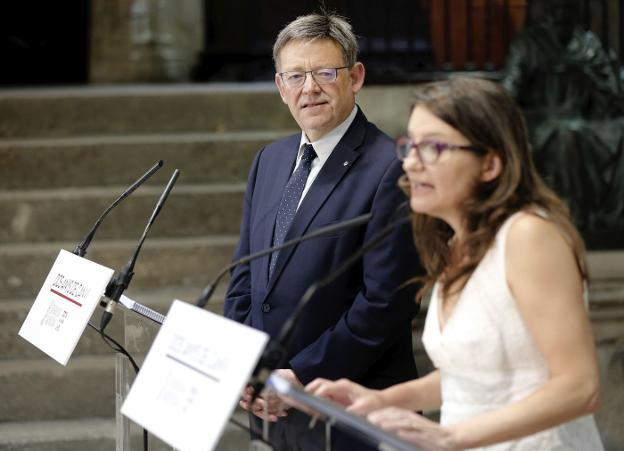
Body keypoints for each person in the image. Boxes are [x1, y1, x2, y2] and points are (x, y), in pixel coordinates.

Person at [308, 77, 604, 450]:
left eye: (433, 147)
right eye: (410, 146)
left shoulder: (528, 236)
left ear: (490, 164)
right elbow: (475, 376)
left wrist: (453, 436)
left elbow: (580, 387)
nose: (412, 164)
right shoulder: (456, 242)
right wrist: (385, 400)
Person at [223, 10, 421, 450]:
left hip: (351, 408)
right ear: (280, 87)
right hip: (270, 406)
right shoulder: (268, 162)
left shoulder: (391, 167)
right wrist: (243, 368)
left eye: (324, 73)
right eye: (294, 76)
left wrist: (301, 376)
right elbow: (245, 276)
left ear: (356, 76)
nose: (308, 88)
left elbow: (386, 302)